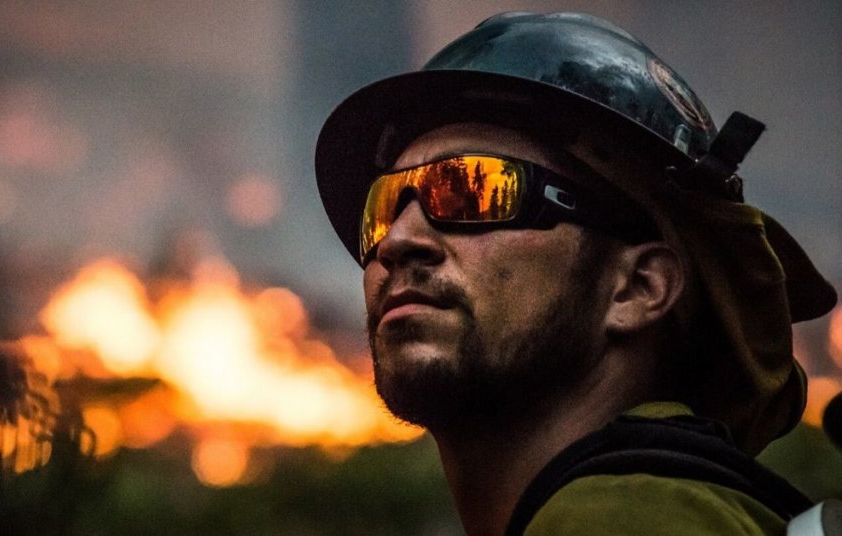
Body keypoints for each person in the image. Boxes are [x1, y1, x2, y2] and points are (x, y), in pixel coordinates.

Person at [312, 11, 839, 536]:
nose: (398, 242)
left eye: (476, 190)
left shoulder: (624, 519)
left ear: (638, 287)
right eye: (381, 210)